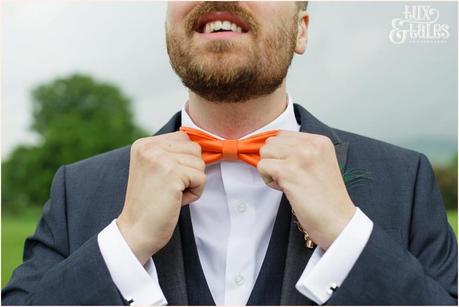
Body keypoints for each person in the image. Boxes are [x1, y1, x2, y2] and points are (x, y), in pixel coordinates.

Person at [2, 2, 457, 305]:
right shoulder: (76, 190)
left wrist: (349, 239)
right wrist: (126, 243)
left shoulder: (406, 180)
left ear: (301, 30)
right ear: (168, 26)